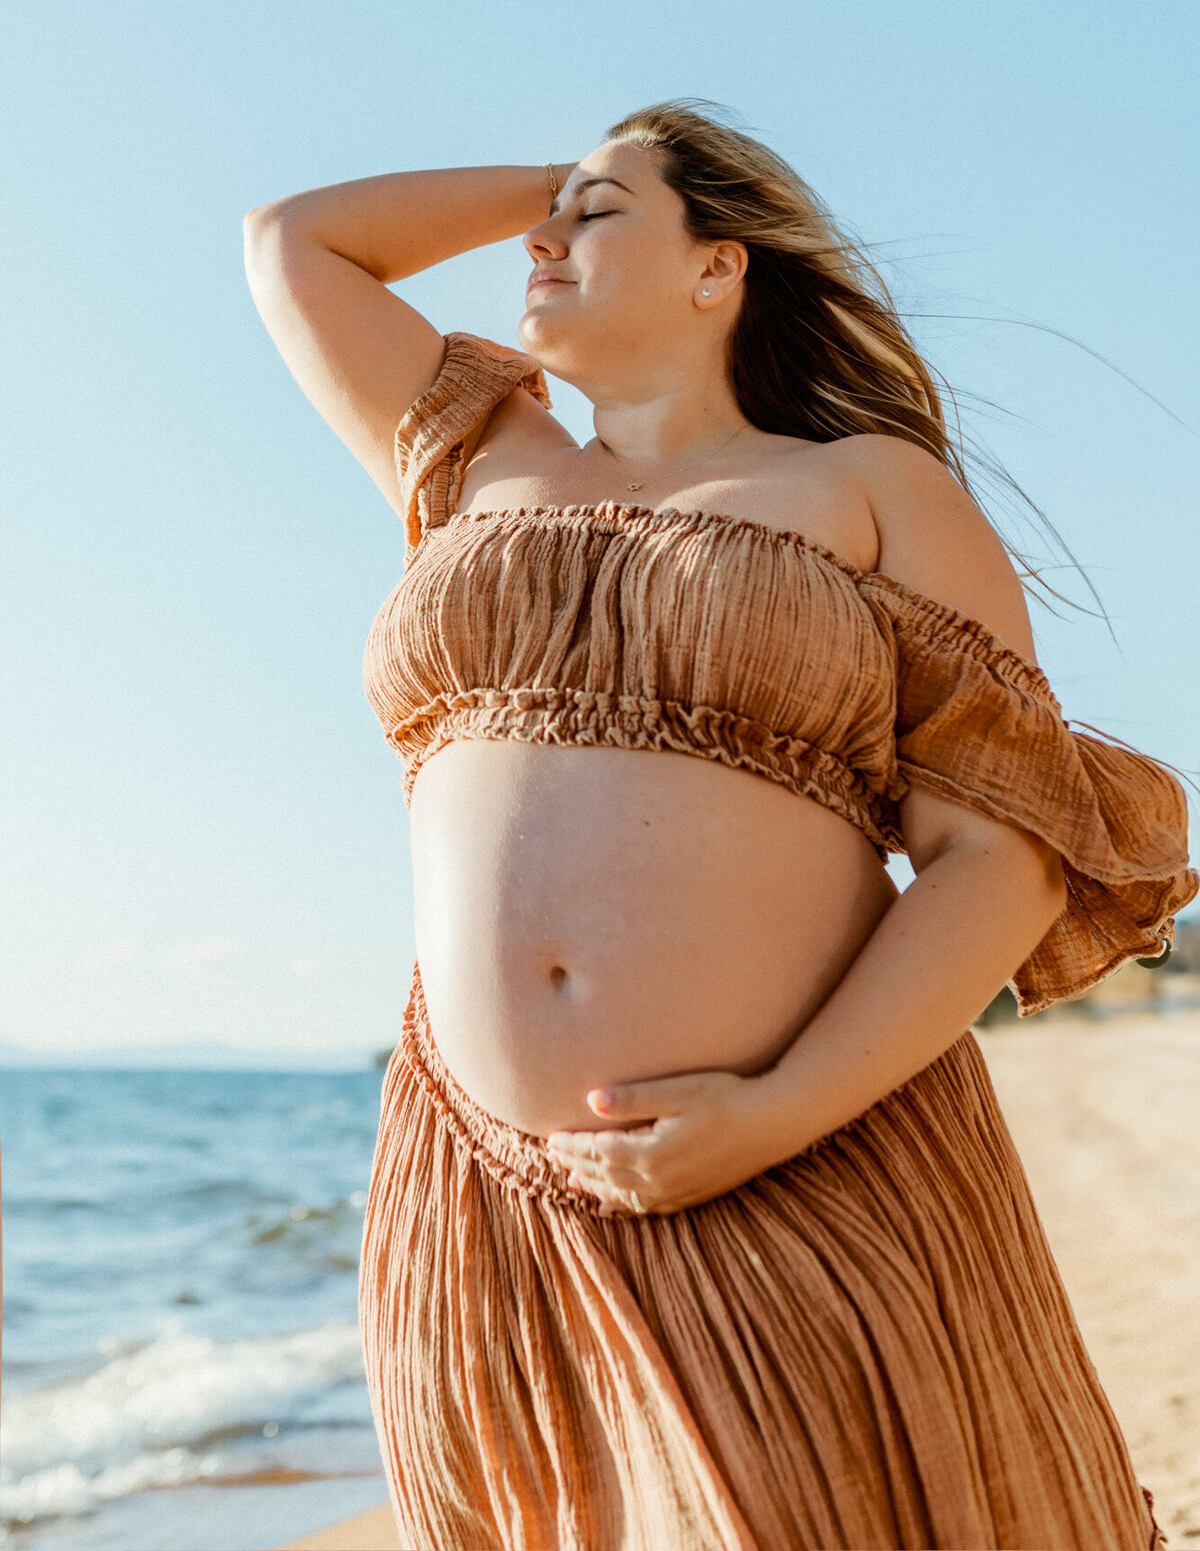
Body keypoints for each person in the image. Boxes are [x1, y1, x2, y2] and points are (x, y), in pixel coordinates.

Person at [243, 102, 1196, 1551]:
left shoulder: (870, 495)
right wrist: (565, 189)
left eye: (600, 213)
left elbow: (993, 853)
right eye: (548, 217)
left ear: (720, 267)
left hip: (799, 1150)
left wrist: (771, 1116)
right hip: (491, 1192)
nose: (544, 240)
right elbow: (297, 242)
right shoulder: (477, 458)